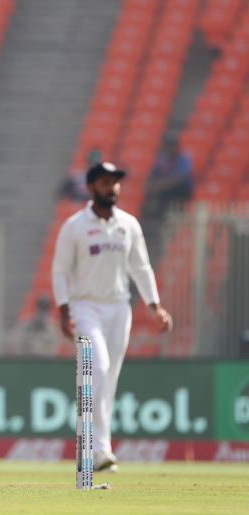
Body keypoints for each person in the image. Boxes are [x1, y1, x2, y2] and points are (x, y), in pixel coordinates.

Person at [52, 162, 173, 473]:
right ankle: (95, 447)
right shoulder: (75, 226)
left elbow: (141, 267)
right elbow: (60, 270)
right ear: (91, 187)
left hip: (119, 308)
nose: (113, 188)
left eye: (116, 182)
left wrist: (155, 306)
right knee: (99, 368)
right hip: (84, 307)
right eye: (106, 182)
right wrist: (64, 312)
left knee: (109, 380)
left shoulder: (128, 225)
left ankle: (98, 447)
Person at [144, 135, 193, 220]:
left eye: (172, 146)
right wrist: (151, 183)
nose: (170, 149)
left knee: (166, 194)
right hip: (165, 187)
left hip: (182, 188)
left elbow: (181, 177)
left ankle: (164, 217)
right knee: (154, 190)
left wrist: (163, 184)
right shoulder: (163, 159)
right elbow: (155, 173)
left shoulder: (183, 158)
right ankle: (155, 215)